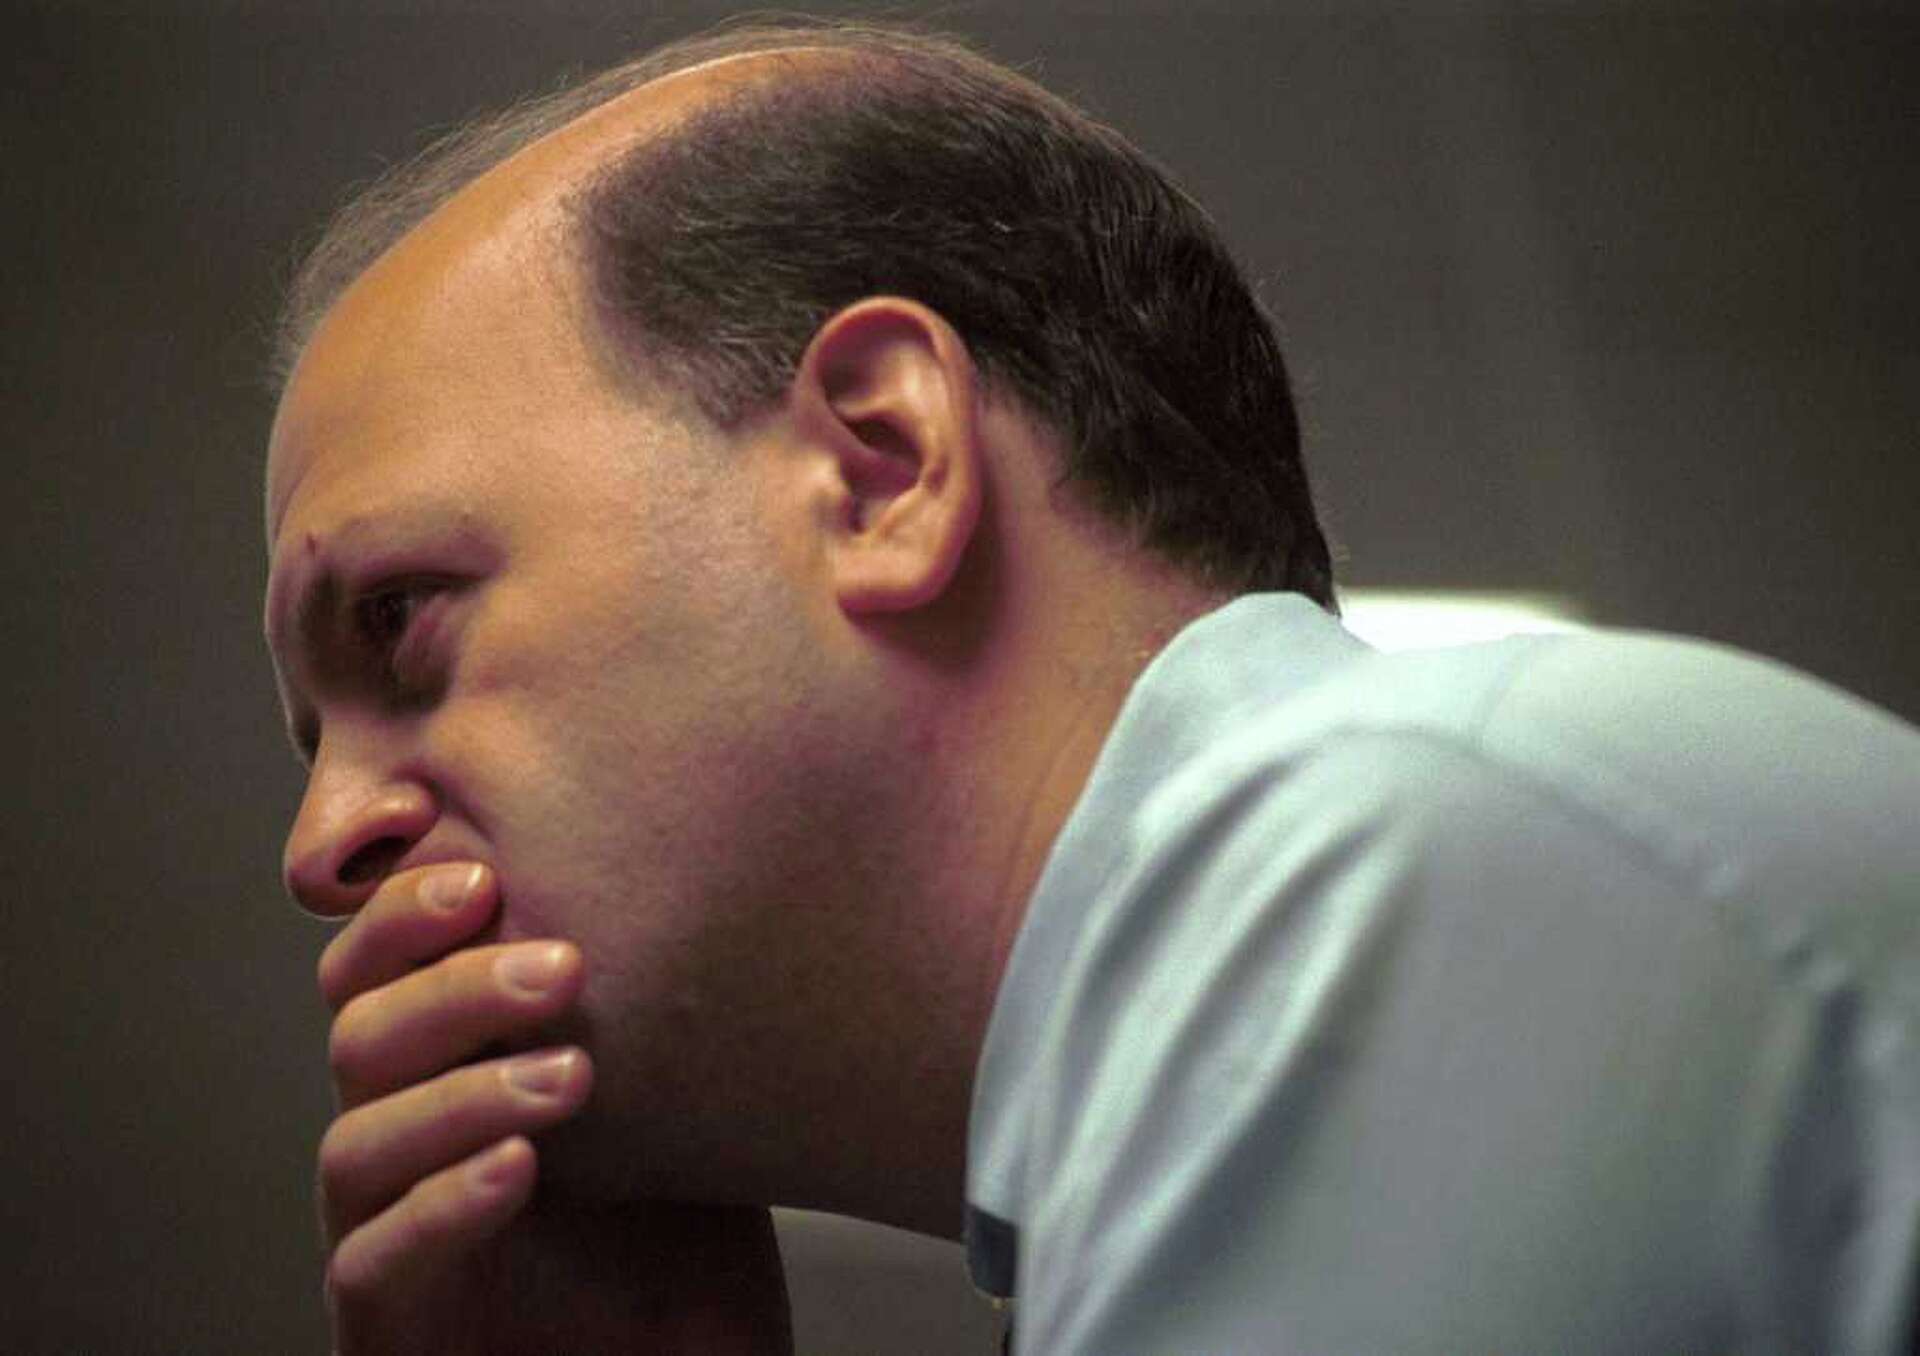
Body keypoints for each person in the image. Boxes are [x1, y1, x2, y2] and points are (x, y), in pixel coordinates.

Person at [262, 17, 1920, 1354]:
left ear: (881, 467)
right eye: (312, 737)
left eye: (399, 618)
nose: (321, 845)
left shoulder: (1379, 876)